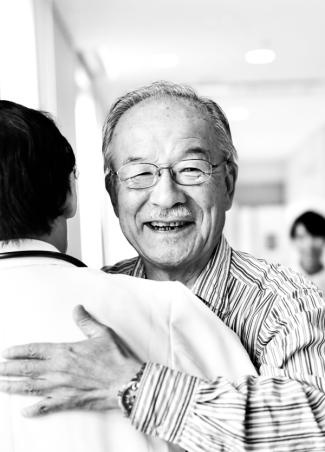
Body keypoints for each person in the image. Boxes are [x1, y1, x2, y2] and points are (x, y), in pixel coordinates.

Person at [1, 83, 325, 451]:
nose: (166, 196)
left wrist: (137, 385)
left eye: (191, 169)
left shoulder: (284, 303)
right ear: (112, 191)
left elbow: (318, 427)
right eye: (140, 174)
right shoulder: (96, 297)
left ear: (229, 183)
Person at [290, 210, 325, 292]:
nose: (309, 245)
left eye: (315, 236)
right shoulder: (283, 280)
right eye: (302, 237)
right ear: (293, 241)